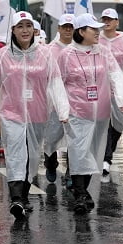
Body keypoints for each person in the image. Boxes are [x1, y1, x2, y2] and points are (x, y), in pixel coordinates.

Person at [0, 11, 69, 220]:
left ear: (34, 30)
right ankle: (16, 198)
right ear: (13, 30)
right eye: (20, 26)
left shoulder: (46, 54)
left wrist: (63, 110)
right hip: (12, 112)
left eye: (28, 26)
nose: (25, 30)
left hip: (38, 114)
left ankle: (24, 194)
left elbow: (56, 83)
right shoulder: (2, 56)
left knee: (33, 156)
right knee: (16, 154)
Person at [58, 13, 123, 214]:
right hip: (77, 112)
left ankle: (81, 189)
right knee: (79, 152)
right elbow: (57, 83)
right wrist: (62, 108)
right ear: (81, 32)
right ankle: (80, 194)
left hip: (100, 113)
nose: (98, 33)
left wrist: (122, 99)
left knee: (92, 155)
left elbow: (115, 75)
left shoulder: (104, 52)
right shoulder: (67, 55)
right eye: (93, 29)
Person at [98, 8, 123, 180]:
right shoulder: (97, 40)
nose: (107, 22)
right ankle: (106, 159)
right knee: (104, 125)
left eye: (110, 19)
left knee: (118, 125)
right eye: (104, 19)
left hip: (120, 91)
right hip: (101, 91)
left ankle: (108, 151)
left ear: (117, 22)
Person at [43, 13, 75, 185]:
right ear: (59, 29)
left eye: (71, 27)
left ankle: (71, 172)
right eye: (65, 27)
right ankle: (50, 163)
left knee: (74, 138)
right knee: (52, 138)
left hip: (75, 102)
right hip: (54, 102)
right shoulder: (49, 50)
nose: (68, 30)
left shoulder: (80, 48)